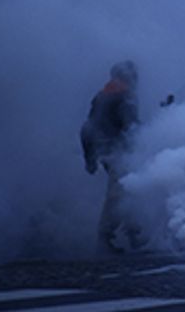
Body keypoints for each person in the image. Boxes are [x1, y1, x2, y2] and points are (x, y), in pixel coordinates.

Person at [80, 60, 143, 254]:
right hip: (117, 152)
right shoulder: (125, 97)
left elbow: (87, 129)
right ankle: (105, 237)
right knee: (120, 193)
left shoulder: (102, 96)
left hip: (106, 151)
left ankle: (133, 233)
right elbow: (132, 128)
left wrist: (89, 157)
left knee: (129, 189)